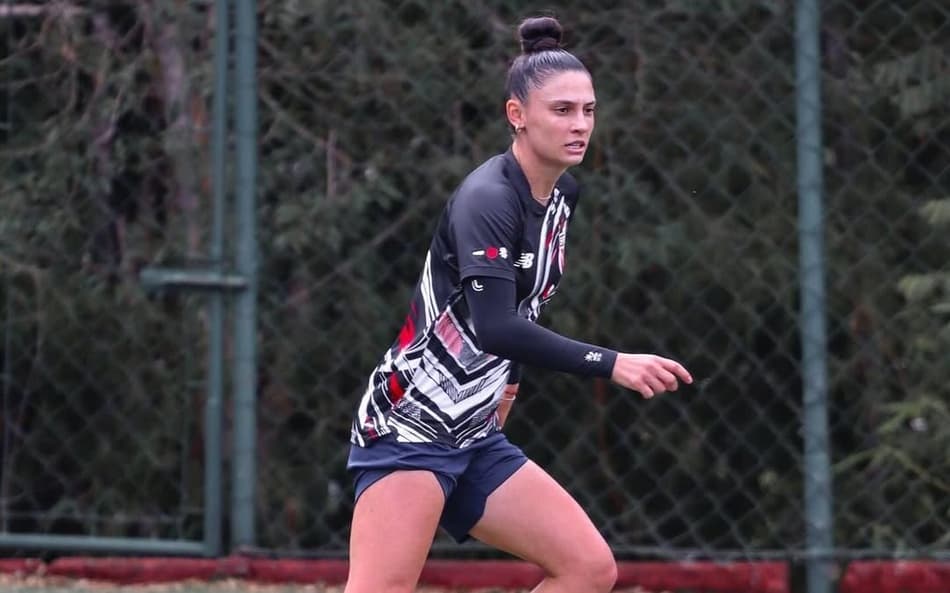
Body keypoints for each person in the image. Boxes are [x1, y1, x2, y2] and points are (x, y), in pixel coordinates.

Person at [344, 15, 693, 593]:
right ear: (517, 115)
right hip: (410, 427)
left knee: (588, 569)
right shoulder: (488, 198)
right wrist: (613, 363)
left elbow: (523, 305)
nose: (580, 125)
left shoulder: (561, 195)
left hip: (475, 433)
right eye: (562, 111)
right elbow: (496, 327)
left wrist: (504, 390)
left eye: (588, 110)